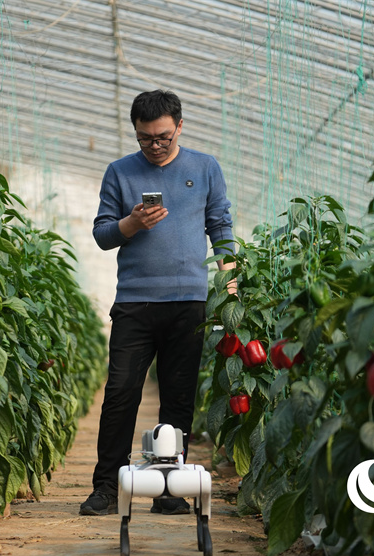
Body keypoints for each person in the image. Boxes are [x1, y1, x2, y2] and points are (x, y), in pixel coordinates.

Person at [80, 90, 235, 516]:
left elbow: (220, 225)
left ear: (179, 126)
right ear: (136, 132)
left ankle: (170, 487)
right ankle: (106, 488)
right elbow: (102, 234)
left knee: (178, 397)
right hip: (135, 302)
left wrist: (231, 277)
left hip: (188, 302)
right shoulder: (119, 172)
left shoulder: (204, 168)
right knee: (120, 394)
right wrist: (131, 223)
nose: (155, 145)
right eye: (146, 138)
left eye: (163, 136)